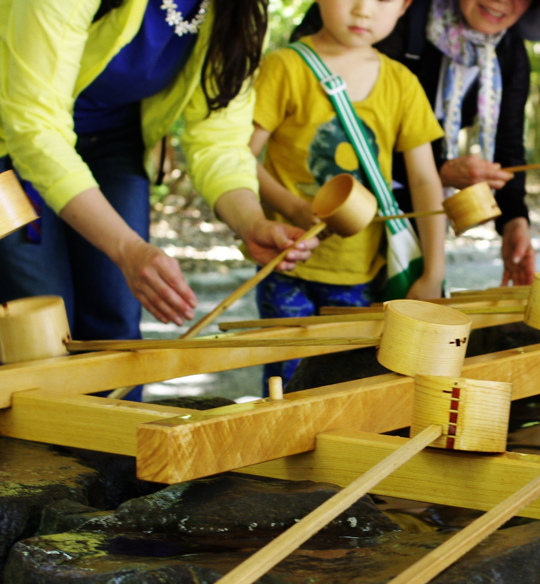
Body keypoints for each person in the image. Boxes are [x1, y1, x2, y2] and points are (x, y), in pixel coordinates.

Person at [0, 0, 318, 357]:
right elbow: (33, 127)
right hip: (9, 141)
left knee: (117, 328)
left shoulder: (241, 10)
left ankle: (121, 414)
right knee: (36, 327)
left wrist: (251, 220)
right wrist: (127, 249)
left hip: (113, 140)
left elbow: (219, 139)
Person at [250, 0, 446, 386]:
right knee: (288, 385)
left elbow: (425, 180)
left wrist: (434, 271)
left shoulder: (402, 82)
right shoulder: (284, 66)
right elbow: (240, 158)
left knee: (350, 382)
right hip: (288, 263)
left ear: (405, 6)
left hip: (363, 272)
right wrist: (291, 206)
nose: (363, 10)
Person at [371, 0, 540, 287]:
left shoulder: (509, 51)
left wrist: (515, 221)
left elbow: (508, 146)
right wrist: (440, 171)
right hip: (356, 184)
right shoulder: (394, 18)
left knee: (418, 295)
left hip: (419, 200)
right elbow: (351, 129)